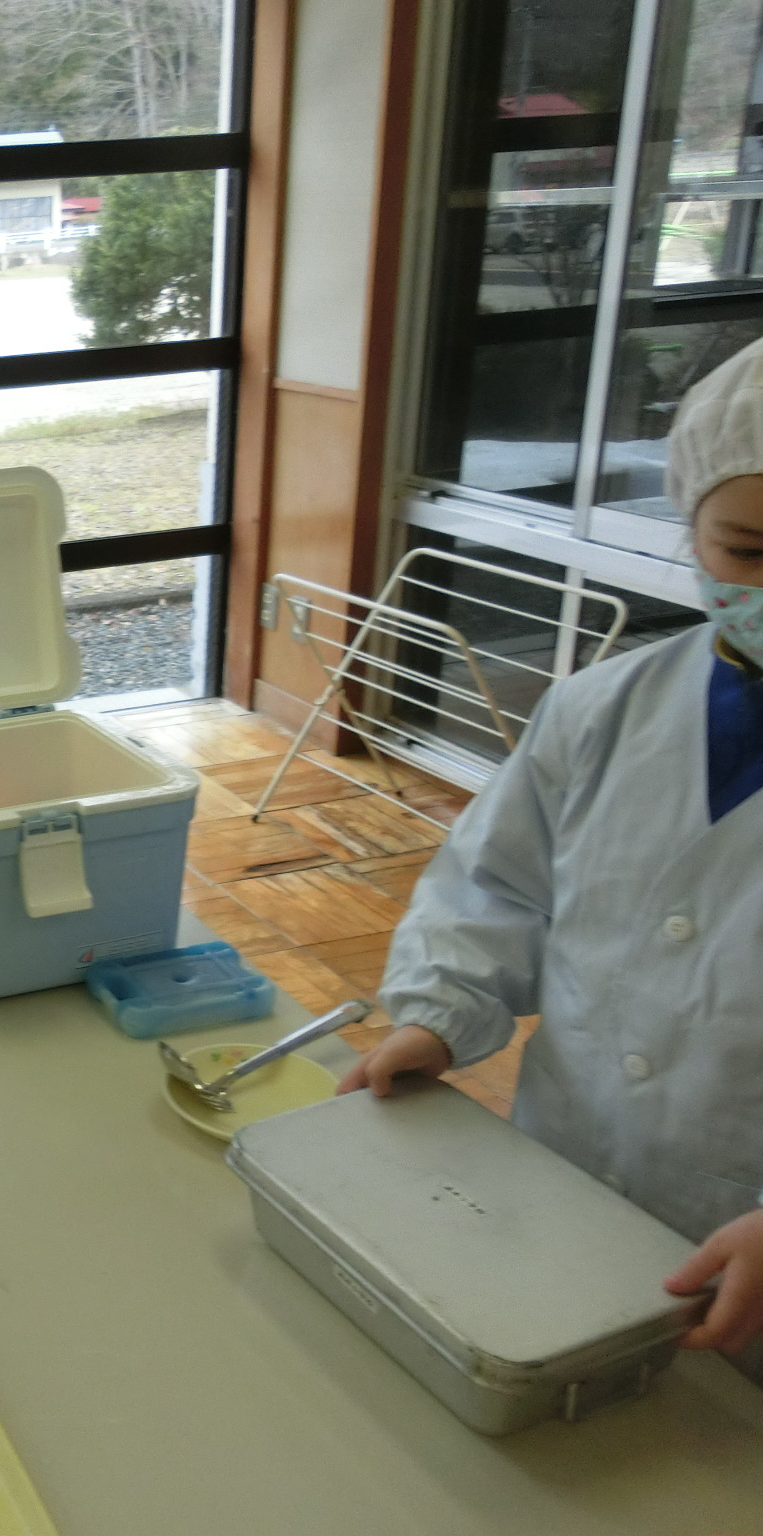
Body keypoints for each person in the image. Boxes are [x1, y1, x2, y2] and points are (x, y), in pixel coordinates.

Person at [343, 335, 763, 1364]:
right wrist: (438, 1016)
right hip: (565, 1175)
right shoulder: (600, 709)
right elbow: (495, 889)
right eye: (748, 551)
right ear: (688, 526)